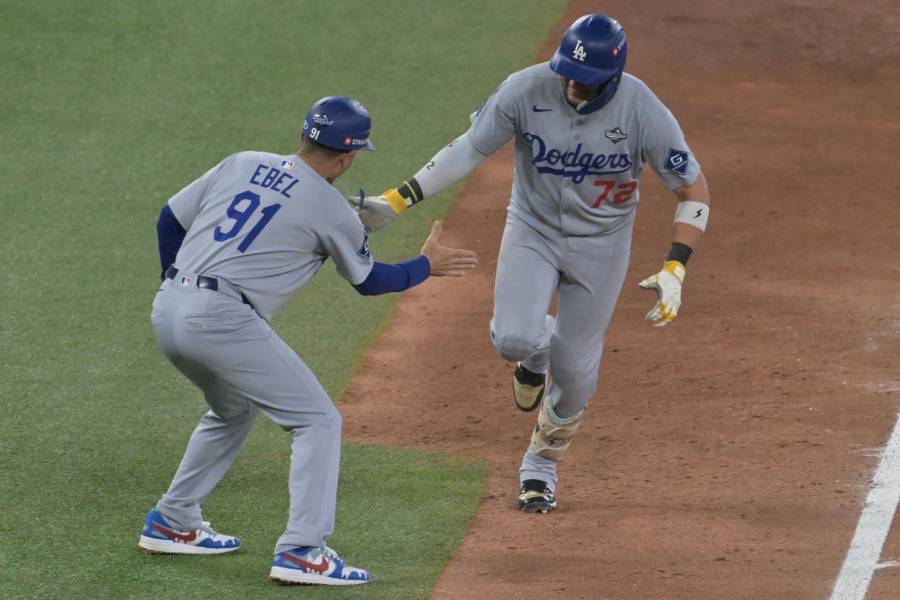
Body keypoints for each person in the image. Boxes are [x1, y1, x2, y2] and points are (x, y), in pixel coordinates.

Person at [352, 14, 711, 513]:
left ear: (611, 77)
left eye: (583, 80)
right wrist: (397, 199)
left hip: (603, 245)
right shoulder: (525, 89)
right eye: (566, 71)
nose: (570, 85)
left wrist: (677, 266)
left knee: (577, 371)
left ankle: (540, 467)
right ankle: (534, 355)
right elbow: (469, 148)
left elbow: (692, 188)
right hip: (533, 230)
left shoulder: (642, 110)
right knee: (512, 339)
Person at [139, 95, 477, 585]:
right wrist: (427, 264)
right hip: (222, 318)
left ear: (302, 136)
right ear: (347, 158)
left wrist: (178, 285)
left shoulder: (243, 161)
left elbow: (169, 220)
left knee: (233, 408)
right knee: (318, 421)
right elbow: (369, 281)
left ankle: (173, 520)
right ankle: (303, 551)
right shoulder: (330, 206)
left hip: (168, 305)